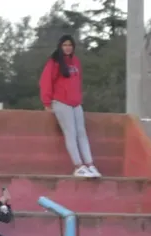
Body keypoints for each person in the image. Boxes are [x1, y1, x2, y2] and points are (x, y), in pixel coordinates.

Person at [39, 35, 100, 178]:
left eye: (70, 45)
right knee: (70, 133)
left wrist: (78, 98)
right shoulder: (54, 62)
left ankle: (90, 164)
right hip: (61, 102)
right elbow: (45, 82)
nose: (68, 47)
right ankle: (78, 166)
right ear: (60, 46)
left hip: (76, 104)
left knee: (82, 133)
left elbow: (77, 82)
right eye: (65, 45)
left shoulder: (76, 62)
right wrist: (47, 103)